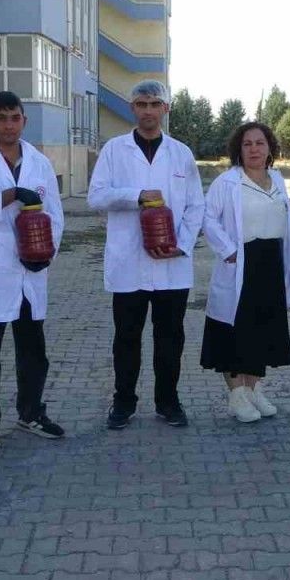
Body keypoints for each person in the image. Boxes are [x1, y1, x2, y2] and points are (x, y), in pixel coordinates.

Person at [88, 80, 204, 429]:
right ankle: (123, 402)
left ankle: (168, 402)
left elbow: (196, 206)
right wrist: (136, 195)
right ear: (132, 108)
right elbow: (96, 197)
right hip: (129, 263)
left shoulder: (181, 153)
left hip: (172, 264)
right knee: (127, 338)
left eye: (155, 104)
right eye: (142, 104)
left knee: (170, 338)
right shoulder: (114, 150)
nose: (148, 111)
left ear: (165, 108)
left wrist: (181, 244)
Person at [0, 91, 65, 450]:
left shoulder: (40, 162)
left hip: (31, 270)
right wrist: (11, 194)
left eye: (14, 118)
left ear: (24, 120)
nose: (8, 125)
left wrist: (47, 252)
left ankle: (31, 412)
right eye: (1, 118)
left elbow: (55, 214)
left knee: (33, 350)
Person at [200, 122, 290, 422]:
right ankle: (237, 394)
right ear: (239, 149)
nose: (254, 149)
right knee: (235, 330)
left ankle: (253, 389)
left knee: (261, 329)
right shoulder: (227, 182)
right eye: (247, 144)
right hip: (240, 262)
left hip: (270, 264)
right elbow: (207, 217)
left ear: (269, 148)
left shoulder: (278, 179)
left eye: (260, 143)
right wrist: (228, 250)